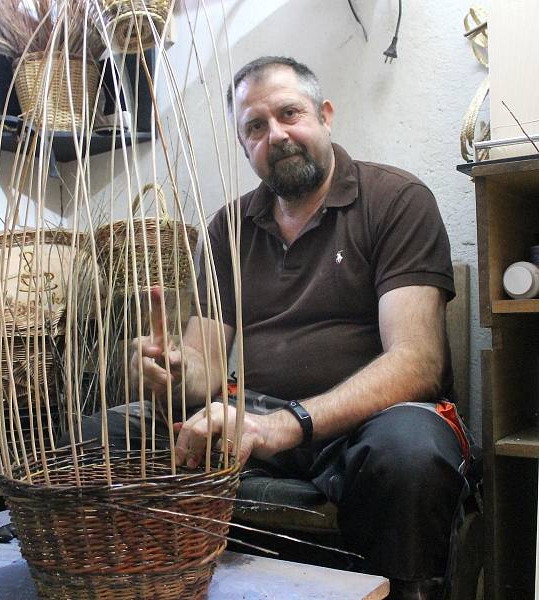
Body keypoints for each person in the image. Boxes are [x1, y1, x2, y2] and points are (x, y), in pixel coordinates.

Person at [83, 56, 473, 600]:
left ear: (325, 115)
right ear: (244, 145)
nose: (277, 134)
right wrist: (172, 370)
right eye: (256, 126)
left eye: (289, 113)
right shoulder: (229, 227)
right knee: (104, 435)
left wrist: (287, 424)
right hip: (257, 419)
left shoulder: (396, 200)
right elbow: (207, 366)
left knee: (409, 451)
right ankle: (154, 584)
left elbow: (418, 362)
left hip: (368, 425)